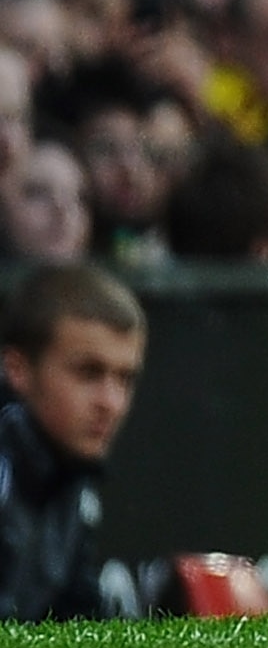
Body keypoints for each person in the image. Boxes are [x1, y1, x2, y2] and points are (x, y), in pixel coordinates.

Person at [0, 262, 145, 621]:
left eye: (125, 379)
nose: (111, 403)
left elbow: (78, 620)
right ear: (18, 369)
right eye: (88, 373)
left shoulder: (70, 473)